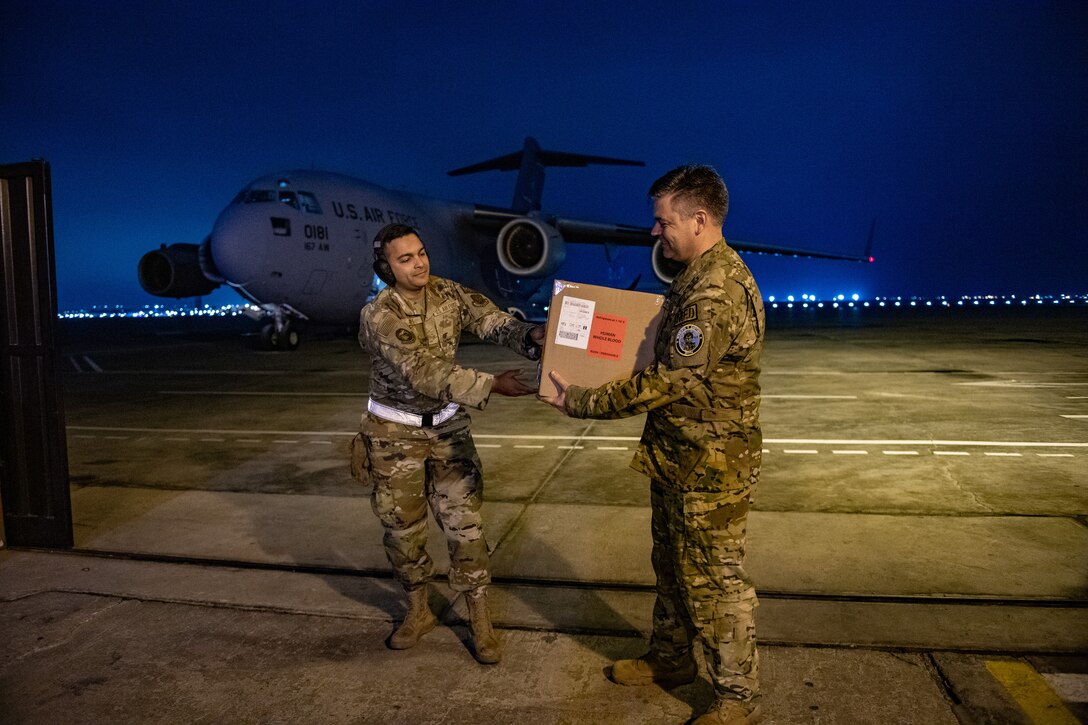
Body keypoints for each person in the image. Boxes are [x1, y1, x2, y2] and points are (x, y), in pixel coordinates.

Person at [541, 165, 765, 724]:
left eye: (663, 221)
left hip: (710, 468)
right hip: (680, 455)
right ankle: (671, 660)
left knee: (714, 581)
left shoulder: (714, 290)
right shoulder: (695, 276)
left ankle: (738, 698)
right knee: (671, 567)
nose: (654, 232)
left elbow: (673, 380)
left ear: (699, 219)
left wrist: (584, 400)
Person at [357, 222, 543, 664]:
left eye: (421, 252)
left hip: (447, 430)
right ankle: (418, 610)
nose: (419, 263)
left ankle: (480, 619)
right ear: (386, 267)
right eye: (406, 258)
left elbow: (491, 320)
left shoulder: (448, 293)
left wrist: (530, 336)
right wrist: (492, 383)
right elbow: (424, 372)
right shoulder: (380, 314)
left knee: (466, 527)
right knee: (404, 533)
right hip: (396, 436)